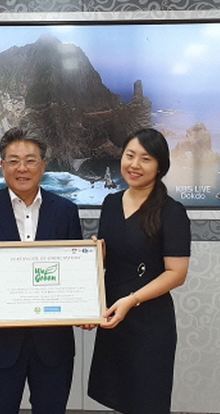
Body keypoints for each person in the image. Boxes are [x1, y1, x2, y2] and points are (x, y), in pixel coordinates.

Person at [0, 127, 82, 414]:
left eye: (30, 160)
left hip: (53, 345)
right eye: (13, 161)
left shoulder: (65, 211)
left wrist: (84, 306)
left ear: (43, 165)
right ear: (2, 166)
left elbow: (74, 270)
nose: (22, 168)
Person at [87, 128, 191, 414]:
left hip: (149, 323)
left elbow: (176, 273)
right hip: (113, 316)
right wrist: (97, 256)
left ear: (160, 166)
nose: (134, 165)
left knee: (147, 401)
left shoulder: (172, 212)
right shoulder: (110, 203)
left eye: (145, 159)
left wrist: (131, 300)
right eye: (129, 155)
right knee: (118, 398)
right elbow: (113, 258)